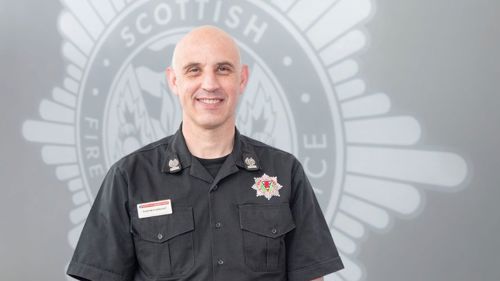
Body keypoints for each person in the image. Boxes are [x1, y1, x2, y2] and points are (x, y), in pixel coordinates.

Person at [67, 25, 344, 281]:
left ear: (242, 79)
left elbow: (311, 276)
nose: (209, 84)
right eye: (194, 70)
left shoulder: (285, 172)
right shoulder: (129, 177)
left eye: (223, 69)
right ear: (174, 81)